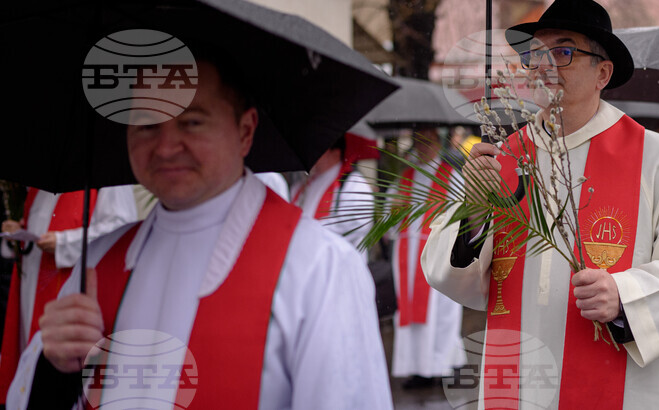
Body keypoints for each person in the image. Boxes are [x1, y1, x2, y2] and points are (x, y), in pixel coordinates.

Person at [5, 53, 392, 410]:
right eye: (147, 124)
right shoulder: (98, 262)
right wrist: (56, 369)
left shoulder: (318, 268)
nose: (166, 146)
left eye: (191, 121)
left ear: (245, 130)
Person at [421, 0, 659, 409]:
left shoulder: (656, 157)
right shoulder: (500, 158)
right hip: (522, 378)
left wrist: (625, 296)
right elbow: (450, 276)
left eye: (563, 51)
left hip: (621, 384)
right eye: (535, 53)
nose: (544, 65)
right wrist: (474, 210)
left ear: (603, 73)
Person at [0, 183, 137, 399]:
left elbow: (120, 230)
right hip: (32, 288)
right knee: (30, 366)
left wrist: (64, 242)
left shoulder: (104, 178)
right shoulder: (41, 183)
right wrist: (19, 232)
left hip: (71, 287)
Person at [391, 127, 466, 389]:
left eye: (427, 141)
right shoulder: (405, 177)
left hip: (437, 254)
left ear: (437, 142)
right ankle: (416, 367)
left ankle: (440, 366)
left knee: (440, 314)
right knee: (410, 313)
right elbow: (391, 221)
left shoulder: (451, 176)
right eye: (418, 141)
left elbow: (462, 217)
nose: (422, 147)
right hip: (406, 255)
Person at [288, 134, 374, 253]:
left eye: (317, 149)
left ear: (335, 152)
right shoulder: (301, 186)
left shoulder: (353, 183)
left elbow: (357, 222)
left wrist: (305, 231)